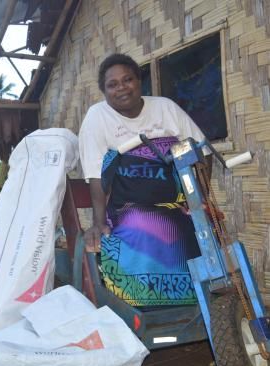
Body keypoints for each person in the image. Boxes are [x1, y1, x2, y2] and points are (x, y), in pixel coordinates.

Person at [79, 53, 212, 307]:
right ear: (104, 91)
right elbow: (96, 175)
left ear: (139, 82)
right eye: (112, 84)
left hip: (176, 202)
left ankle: (195, 298)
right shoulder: (97, 117)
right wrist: (97, 223)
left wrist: (201, 201)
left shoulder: (165, 108)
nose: (121, 88)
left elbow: (203, 152)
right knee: (141, 224)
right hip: (126, 206)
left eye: (127, 80)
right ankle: (142, 301)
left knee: (198, 227)